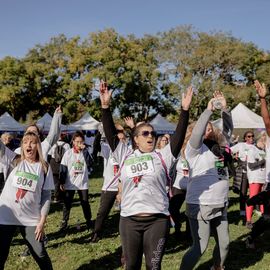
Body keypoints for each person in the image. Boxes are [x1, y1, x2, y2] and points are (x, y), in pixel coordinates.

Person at [100, 80, 193, 270]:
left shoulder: (163, 156)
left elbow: (178, 136)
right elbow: (110, 133)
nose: (150, 136)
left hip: (157, 221)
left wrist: (184, 111)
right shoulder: (124, 154)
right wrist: (105, 107)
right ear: (135, 139)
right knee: (131, 266)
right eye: (144, 133)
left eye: (152, 133)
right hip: (129, 221)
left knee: (154, 266)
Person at [180, 91, 233, 270]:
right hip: (200, 204)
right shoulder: (194, 150)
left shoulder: (220, 148)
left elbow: (228, 130)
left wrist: (224, 109)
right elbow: (197, 134)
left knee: (224, 243)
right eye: (205, 128)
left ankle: (217, 267)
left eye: (210, 127)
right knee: (200, 247)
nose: (208, 129)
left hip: (221, 203)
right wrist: (208, 111)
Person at [0, 132, 54, 270]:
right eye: (25, 142)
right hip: (6, 217)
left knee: (40, 253)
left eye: (33, 142)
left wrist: (42, 222)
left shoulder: (44, 167)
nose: (28, 145)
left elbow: (47, 196)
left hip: (30, 219)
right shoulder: (14, 160)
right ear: (22, 146)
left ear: (38, 146)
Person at [90, 128, 127, 243]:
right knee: (102, 212)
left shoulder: (129, 151)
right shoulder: (108, 149)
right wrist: (99, 133)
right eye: (118, 139)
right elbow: (95, 147)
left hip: (125, 187)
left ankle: (126, 234)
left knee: (126, 212)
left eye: (123, 139)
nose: (120, 141)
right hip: (109, 186)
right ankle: (96, 233)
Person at [58, 131, 93, 232]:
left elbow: (90, 164)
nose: (79, 144)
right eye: (77, 142)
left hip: (83, 183)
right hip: (70, 183)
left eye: (81, 142)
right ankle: (64, 222)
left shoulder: (86, 151)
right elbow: (63, 168)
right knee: (67, 203)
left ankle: (89, 220)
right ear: (73, 142)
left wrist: (85, 151)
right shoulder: (68, 153)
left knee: (85, 202)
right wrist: (62, 182)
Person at [231, 130, 257, 219]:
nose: (251, 138)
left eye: (252, 136)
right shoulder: (240, 145)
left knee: (255, 192)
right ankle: (242, 210)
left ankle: (255, 209)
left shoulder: (255, 147)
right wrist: (235, 158)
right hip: (244, 172)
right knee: (243, 192)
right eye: (249, 136)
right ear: (245, 138)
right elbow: (229, 150)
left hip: (254, 172)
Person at [245, 131, 266, 228]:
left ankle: (263, 217)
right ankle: (248, 220)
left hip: (263, 178)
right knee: (253, 198)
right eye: (265, 140)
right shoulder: (252, 150)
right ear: (261, 139)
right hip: (255, 178)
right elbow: (251, 165)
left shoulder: (264, 150)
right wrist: (263, 161)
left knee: (263, 198)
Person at [48, 133, 70, 203]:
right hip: (63, 164)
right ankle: (63, 196)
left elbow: (49, 155)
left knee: (56, 182)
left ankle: (56, 197)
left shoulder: (53, 144)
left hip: (54, 164)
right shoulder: (67, 145)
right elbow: (69, 155)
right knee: (63, 181)